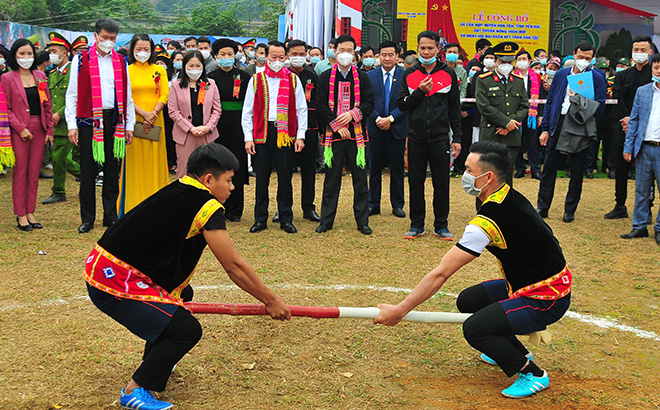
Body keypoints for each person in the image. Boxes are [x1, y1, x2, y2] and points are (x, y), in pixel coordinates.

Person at [85, 143, 291, 410]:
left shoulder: (181, 188)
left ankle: (156, 366)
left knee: (183, 296)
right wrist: (270, 299)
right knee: (186, 330)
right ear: (208, 179)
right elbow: (233, 266)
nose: (231, 188)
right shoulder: (206, 205)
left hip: (105, 267)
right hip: (113, 282)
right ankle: (134, 390)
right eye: (228, 181)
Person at [374, 141, 571, 399]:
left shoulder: (488, 219)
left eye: (468, 169)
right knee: (469, 301)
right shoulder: (502, 194)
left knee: (475, 329)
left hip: (546, 297)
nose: (463, 174)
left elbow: (441, 274)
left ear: (487, 176)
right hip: (522, 285)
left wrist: (399, 311)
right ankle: (514, 350)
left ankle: (532, 373)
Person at [65, 18, 136, 234]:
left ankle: (110, 217)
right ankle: (87, 218)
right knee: (88, 173)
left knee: (113, 172)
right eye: (104, 37)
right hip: (88, 122)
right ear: (95, 35)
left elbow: (128, 96)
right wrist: (71, 125)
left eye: (112, 39)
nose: (108, 42)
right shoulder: (80, 59)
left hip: (115, 122)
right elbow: (72, 95)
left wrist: (130, 125)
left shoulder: (121, 60)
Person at [398, 30, 462, 240]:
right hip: (415, 138)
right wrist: (419, 92)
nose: (426, 52)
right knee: (415, 181)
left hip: (440, 138)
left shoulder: (448, 74)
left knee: (441, 183)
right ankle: (417, 225)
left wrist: (458, 139)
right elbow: (402, 104)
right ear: (417, 49)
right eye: (422, 48)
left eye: (430, 48)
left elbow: (454, 110)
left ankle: (441, 225)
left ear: (438, 49)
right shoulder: (409, 74)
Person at [241, 40, 307, 234]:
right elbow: (247, 112)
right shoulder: (256, 79)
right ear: (265, 57)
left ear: (286, 57)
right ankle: (260, 218)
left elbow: (301, 110)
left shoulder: (293, 79)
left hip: (285, 133)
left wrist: (300, 136)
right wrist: (248, 137)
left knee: (285, 177)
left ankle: (286, 217)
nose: (277, 61)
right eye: (273, 57)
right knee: (261, 178)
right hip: (263, 133)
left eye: (280, 57)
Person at [537, 41, 606, 223]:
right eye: (581, 57)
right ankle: (542, 207)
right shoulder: (561, 75)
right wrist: (545, 129)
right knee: (549, 168)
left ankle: (570, 210)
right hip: (558, 123)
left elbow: (600, 107)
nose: (583, 60)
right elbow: (550, 102)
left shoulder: (597, 77)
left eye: (588, 58)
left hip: (579, 127)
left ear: (593, 59)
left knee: (576, 170)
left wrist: (580, 101)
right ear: (574, 54)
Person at [315, 35, 374, 235]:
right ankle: (326, 220)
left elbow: (368, 103)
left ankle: (362, 221)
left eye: (350, 51)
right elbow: (320, 105)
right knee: (332, 179)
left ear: (355, 53)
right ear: (334, 51)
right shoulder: (325, 76)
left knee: (360, 179)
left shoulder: (362, 77)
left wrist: (351, 115)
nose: (345, 55)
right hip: (334, 136)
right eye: (342, 50)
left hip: (357, 135)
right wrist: (337, 125)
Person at [2, 38, 54, 231]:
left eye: (29, 54)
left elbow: (47, 106)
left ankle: (30, 212)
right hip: (19, 130)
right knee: (21, 172)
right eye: (22, 54)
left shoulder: (40, 75)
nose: (26, 57)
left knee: (34, 173)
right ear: (15, 56)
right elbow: (5, 108)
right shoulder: (7, 78)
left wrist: (49, 130)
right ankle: (20, 215)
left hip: (39, 128)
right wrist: (20, 128)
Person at [117, 34, 170, 216]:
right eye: (138, 49)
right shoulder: (127, 69)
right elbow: (126, 97)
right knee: (135, 162)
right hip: (135, 120)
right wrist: (144, 114)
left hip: (156, 120)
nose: (142, 52)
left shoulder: (159, 70)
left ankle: (156, 202)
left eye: (146, 49)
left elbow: (164, 93)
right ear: (132, 50)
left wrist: (153, 113)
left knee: (155, 159)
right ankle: (133, 203)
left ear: (152, 50)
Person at [604, 36, 655, 220]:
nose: (639, 53)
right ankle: (620, 205)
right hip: (623, 128)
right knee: (621, 169)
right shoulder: (622, 75)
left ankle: (647, 208)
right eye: (636, 49)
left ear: (650, 52)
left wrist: (635, 122)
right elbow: (617, 100)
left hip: (646, 131)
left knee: (647, 173)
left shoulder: (653, 75)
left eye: (643, 50)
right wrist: (627, 120)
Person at [207, 38, 251, 222]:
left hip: (239, 125)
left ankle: (235, 209)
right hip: (217, 124)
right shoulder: (210, 78)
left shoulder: (245, 76)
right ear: (216, 56)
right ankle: (216, 207)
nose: (226, 58)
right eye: (222, 55)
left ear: (236, 55)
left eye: (230, 54)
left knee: (237, 165)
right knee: (217, 165)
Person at [475, 41, 529, 187]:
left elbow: (524, 106)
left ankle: (505, 209)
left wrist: (510, 125)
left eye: (510, 61)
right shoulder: (483, 80)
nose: (506, 64)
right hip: (490, 135)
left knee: (506, 178)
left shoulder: (518, 81)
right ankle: (485, 209)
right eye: (502, 61)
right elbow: (484, 107)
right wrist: (506, 122)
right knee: (486, 176)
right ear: (495, 61)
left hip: (511, 137)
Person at [620, 53, 660, 245]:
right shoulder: (643, 91)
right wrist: (629, 147)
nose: (659, 71)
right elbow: (634, 120)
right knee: (641, 189)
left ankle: (659, 228)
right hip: (644, 148)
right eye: (656, 68)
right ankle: (639, 226)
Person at [366, 40, 407, 219]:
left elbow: (408, 103)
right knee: (374, 168)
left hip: (396, 127)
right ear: (378, 56)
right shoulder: (369, 76)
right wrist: (377, 119)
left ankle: (397, 205)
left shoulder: (405, 75)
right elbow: (365, 102)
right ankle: (373, 204)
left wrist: (391, 118)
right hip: (375, 128)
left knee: (397, 168)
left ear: (397, 56)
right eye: (383, 54)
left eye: (391, 54)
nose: (387, 58)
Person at [168, 50, 221, 178]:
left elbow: (217, 110)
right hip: (185, 136)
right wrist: (190, 128)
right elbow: (173, 111)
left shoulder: (211, 84)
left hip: (206, 135)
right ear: (184, 66)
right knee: (184, 171)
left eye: (198, 66)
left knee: (206, 171)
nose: (194, 69)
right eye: (191, 66)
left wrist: (208, 127)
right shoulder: (176, 85)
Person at [43, 32, 81, 205]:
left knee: (59, 157)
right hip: (54, 124)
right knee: (56, 157)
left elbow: (76, 96)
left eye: (54, 50)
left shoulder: (74, 70)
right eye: (49, 51)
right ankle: (84, 173)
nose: (51, 54)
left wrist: (60, 113)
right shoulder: (52, 74)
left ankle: (59, 191)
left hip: (68, 122)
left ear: (64, 52)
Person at [286, 39, 321, 222]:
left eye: (301, 54)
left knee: (308, 169)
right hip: (286, 129)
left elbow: (318, 101)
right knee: (286, 170)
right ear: (288, 55)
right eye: (294, 54)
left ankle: (309, 208)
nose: (298, 58)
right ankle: (284, 208)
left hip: (309, 128)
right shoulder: (282, 75)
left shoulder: (312, 75)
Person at [513, 49, 543, 180]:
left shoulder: (536, 77)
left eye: (524, 59)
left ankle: (535, 169)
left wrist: (540, 116)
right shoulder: (512, 75)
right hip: (516, 114)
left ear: (530, 61)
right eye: (519, 59)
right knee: (517, 142)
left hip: (532, 114)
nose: (522, 62)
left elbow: (541, 97)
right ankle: (520, 169)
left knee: (532, 143)